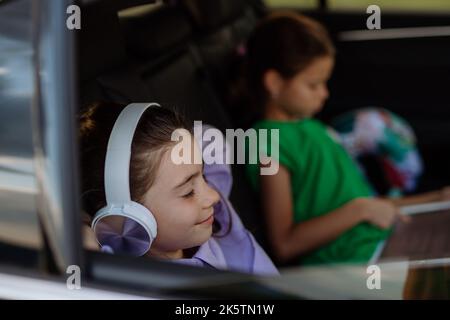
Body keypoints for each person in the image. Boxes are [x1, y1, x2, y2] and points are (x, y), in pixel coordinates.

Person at [244, 12, 450, 266]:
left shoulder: (311, 127)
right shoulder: (267, 143)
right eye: (313, 85)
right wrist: (360, 210)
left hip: (381, 236)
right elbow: (285, 244)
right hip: (359, 258)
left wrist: (436, 199)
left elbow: (368, 205)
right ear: (274, 83)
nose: (324, 94)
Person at [79, 102, 278, 276]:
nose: (214, 196)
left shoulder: (220, 219)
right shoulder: (130, 285)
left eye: (204, 174)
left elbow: (209, 139)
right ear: (130, 220)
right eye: (188, 192)